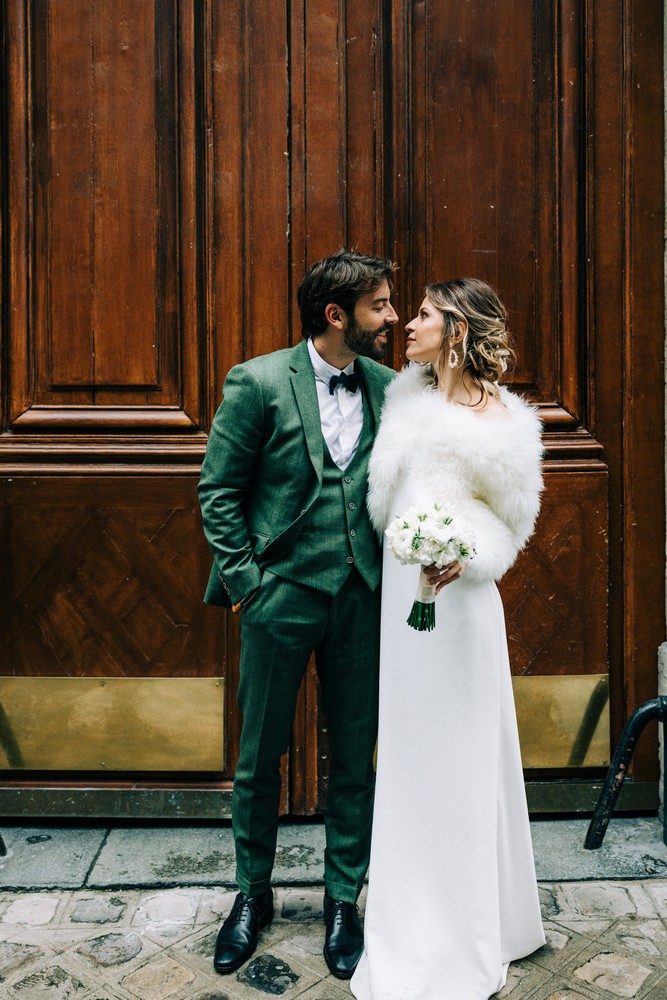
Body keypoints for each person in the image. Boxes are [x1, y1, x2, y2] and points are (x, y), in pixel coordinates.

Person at [198, 249, 398, 979]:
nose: (392, 317)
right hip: (279, 595)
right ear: (336, 315)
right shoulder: (256, 382)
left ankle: (344, 897)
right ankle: (252, 894)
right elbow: (217, 491)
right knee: (259, 757)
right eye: (379, 306)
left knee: (353, 756)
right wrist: (249, 581)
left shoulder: (387, 385)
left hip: (361, 596)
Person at [351, 278, 546, 1000]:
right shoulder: (403, 398)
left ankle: (468, 926)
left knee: (462, 757)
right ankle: (406, 916)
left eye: (426, 315)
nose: (409, 323)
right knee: (408, 751)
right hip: (401, 598)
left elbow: (514, 524)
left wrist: (467, 550)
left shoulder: (507, 424)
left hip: (460, 605)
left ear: (457, 331)